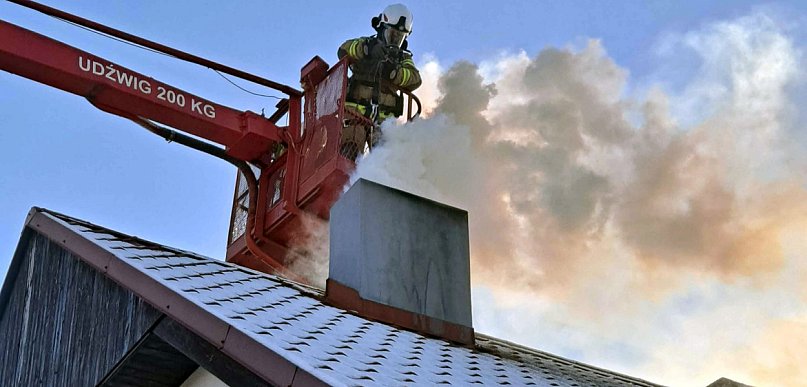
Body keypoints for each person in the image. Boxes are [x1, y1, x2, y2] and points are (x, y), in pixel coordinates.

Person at [337, 3, 422, 160]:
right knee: (351, 145)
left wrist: (394, 73)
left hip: (383, 123)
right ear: (382, 28)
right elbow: (343, 50)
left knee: (386, 157)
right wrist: (366, 50)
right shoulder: (366, 44)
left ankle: (380, 179)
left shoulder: (403, 58)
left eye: (399, 36)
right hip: (354, 115)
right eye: (392, 34)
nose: (395, 40)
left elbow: (415, 79)